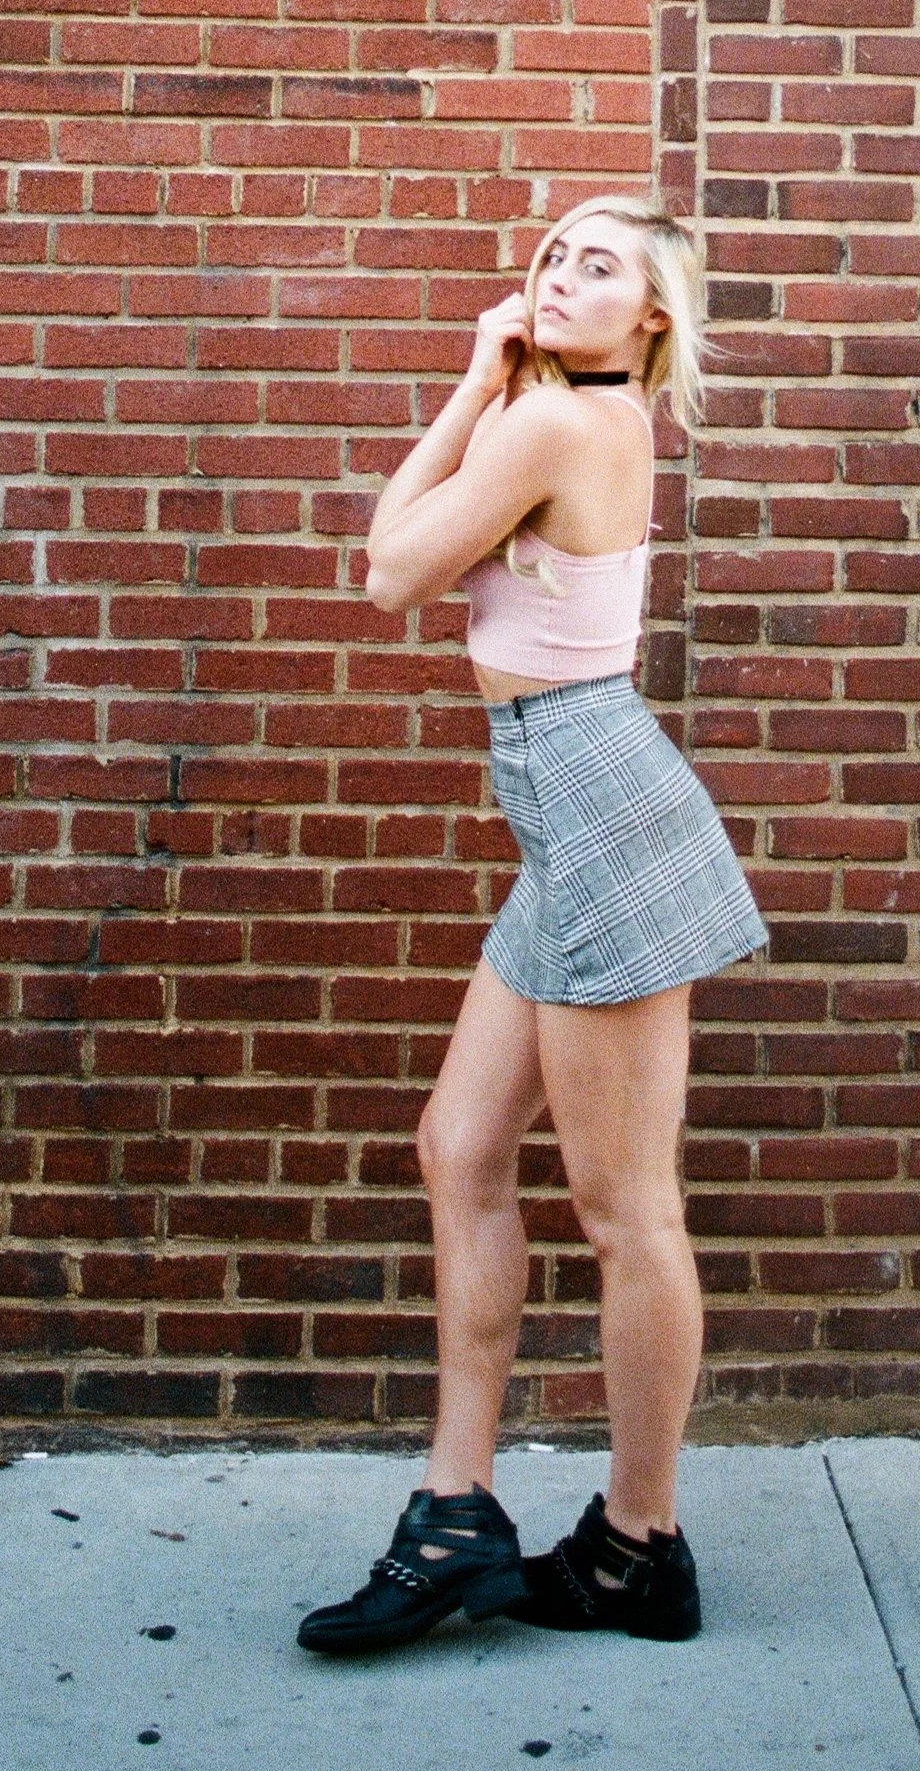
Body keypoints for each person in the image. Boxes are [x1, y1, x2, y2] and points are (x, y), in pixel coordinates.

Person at [297, 196, 767, 1660]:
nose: (562, 276)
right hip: (571, 810)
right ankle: (458, 1510)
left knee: (629, 1210)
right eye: (554, 252)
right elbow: (398, 550)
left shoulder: (562, 423)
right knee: (459, 1146)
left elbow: (385, 570)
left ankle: (639, 1542)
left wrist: (475, 383)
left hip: (600, 814)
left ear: (654, 320)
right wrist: (482, 371)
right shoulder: (555, 413)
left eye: (601, 266)